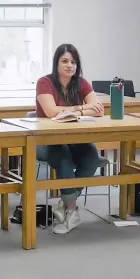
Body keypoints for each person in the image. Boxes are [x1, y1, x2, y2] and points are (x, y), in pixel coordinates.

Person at [36, 44, 103, 234]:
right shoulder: (45, 82)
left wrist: (76, 109)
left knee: (92, 156)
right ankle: (72, 211)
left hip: (74, 138)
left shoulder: (81, 83)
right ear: (56, 63)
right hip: (44, 141)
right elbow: (50, 112)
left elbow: (98, 109)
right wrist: (81, 108)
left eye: (73, 62)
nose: (69, 66)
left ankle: (65, 203)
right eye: (64, 61)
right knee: (63, 156)